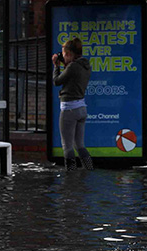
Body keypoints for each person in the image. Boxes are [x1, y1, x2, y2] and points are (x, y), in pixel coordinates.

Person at [52, 38, 93, 171]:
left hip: (69, 110)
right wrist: (65, 64)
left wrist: (56, 67)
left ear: (69, 54)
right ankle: (89, 169)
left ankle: (70, 175)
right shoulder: (85, 65)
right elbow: (70, 77)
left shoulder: (73, 67)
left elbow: (57, 81)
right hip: (81, 108)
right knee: (80, 145)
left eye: (64, 54)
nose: (62, 56)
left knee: (67, 146)